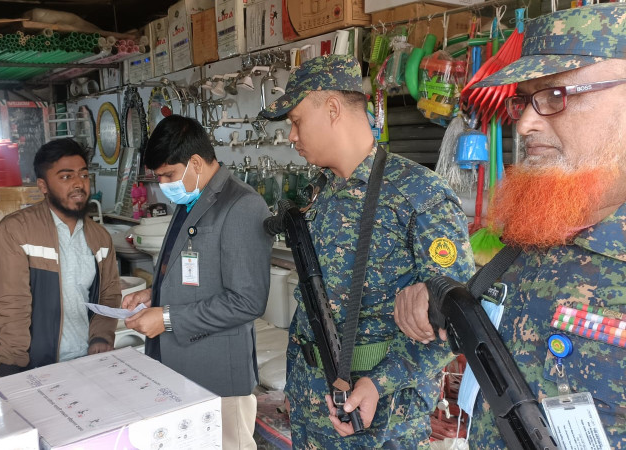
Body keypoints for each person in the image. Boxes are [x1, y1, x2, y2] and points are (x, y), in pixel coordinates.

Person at [394, 4, 626, 448]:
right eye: (524, 100)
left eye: (555, 95)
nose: (523, 124)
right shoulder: (539, 231)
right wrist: (437, 294)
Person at [258, 55, 475, 448]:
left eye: (297, 121)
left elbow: (456, 319)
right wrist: (298, 385)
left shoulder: (417, 194)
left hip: (379, 416)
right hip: (312, 401)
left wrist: (379, 382)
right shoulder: (321, 191)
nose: (291, 135)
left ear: (332, 108)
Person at [123, 115, 272, 450]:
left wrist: (166, 318)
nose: (164, 184)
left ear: (194, 163)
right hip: (179, 367)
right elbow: (195, 270)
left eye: (168, 175)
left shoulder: (242, 205)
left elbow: (247, 301)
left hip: (218, 375)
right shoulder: (191, 197)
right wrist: (153, 294)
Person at [0, 138, 121, 376]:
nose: (78, 184)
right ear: (43, 186)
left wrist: (101, 336)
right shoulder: (16, 231)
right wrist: (12, 365)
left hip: (87, 360)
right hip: (36, 364)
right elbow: (11, 303)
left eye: (83, 175)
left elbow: (109, 294)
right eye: (66, 176)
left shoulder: (100, 237)